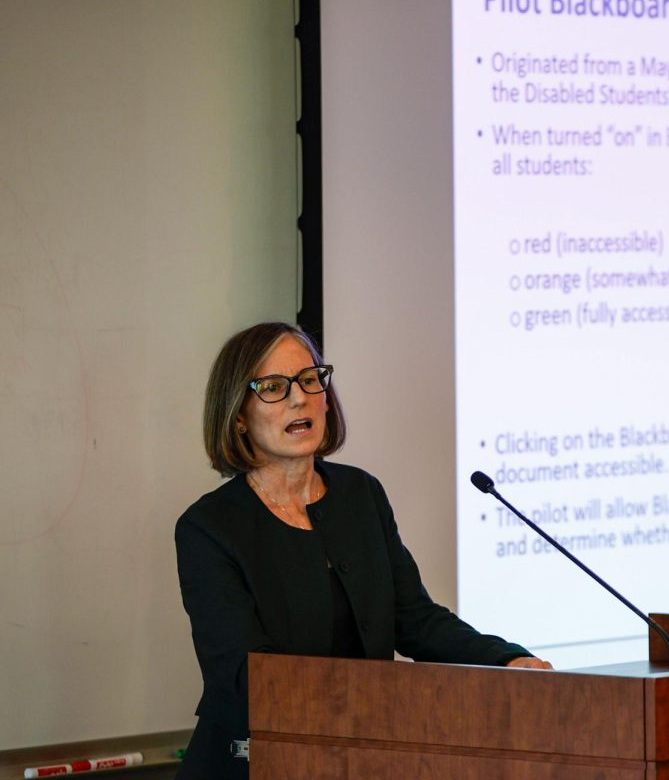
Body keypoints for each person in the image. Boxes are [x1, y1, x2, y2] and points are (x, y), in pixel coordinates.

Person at [175, 322, 550, 779]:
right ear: (238, 415)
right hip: (253, 764)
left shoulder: (360, 495)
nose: (299, 398)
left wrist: (506, 659)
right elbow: (243, 675)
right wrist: (373, 698)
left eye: (310, 379)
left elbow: (412, 619)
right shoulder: (210, 528)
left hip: (356, 757)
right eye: (274, 387)